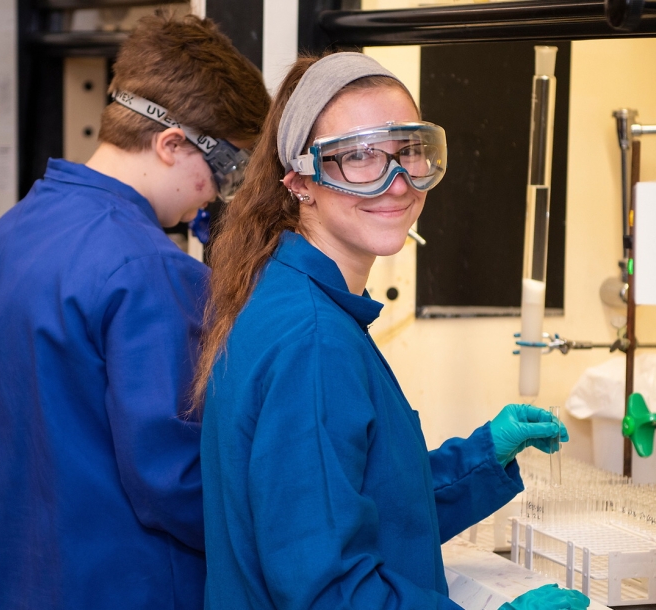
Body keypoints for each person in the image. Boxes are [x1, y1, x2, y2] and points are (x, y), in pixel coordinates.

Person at [193, 52, 590, 610]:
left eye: (409, 152)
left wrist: (481, 457)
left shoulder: (290, 296)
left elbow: (352, 505)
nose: (397, 182)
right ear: (300, 181)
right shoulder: (314, 340)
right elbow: (328, 590)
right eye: (358, 157)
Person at [0, 14, 269, 610]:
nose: (218, 193)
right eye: (225, 169)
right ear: (172, 144)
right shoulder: (150, 272)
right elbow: (179, 484)